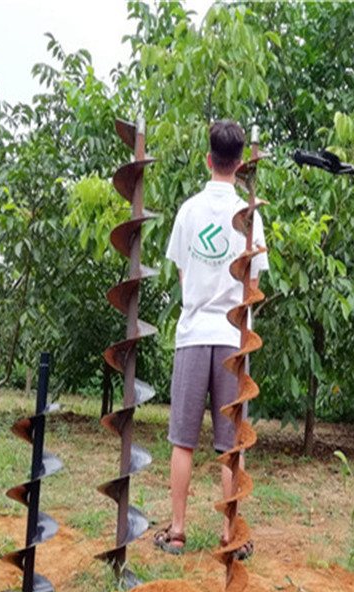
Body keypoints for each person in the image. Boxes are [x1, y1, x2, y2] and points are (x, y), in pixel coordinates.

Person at [154, 119, 268, 557]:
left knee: (182, 439)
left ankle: (178, 531)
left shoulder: (189, 211)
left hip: (193, 334)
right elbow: (253, 285)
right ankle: (229, 533)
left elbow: (185, 275)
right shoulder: (250, 215)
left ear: (208, 159)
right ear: (240, 164)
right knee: (230, 444)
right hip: (233, 338)